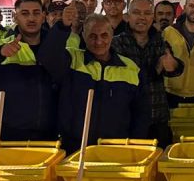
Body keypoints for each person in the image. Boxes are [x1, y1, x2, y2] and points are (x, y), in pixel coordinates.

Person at [39, 12, 150, 151]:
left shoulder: (131, 69)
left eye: (104, 35)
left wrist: (134, 145)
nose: (99, 42)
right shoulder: (72, 60)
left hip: (116, 148)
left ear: (112, 34)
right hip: (74, 148)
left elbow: (142, 113)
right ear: (83, 36)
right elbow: (47, 56)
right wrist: (63, 26)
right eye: (92, 36)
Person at [0, 0, 58, 144]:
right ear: (15, 16)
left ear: (43, 16)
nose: (31, 19)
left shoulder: (56, 48)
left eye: (36, 13)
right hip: (6, 138)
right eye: (25, 13)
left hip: (47, 138)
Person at [112, 0, 184, 148]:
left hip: (158, 116)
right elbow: (129, 77)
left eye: (147, 13)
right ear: (128, 15)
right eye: (137, 12)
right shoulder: (116, 43)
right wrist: (156, 68)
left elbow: (174, 68)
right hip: (128, 118)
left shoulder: (160, 41)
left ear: (153, 17)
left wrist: (173, 65)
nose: (142, 17)